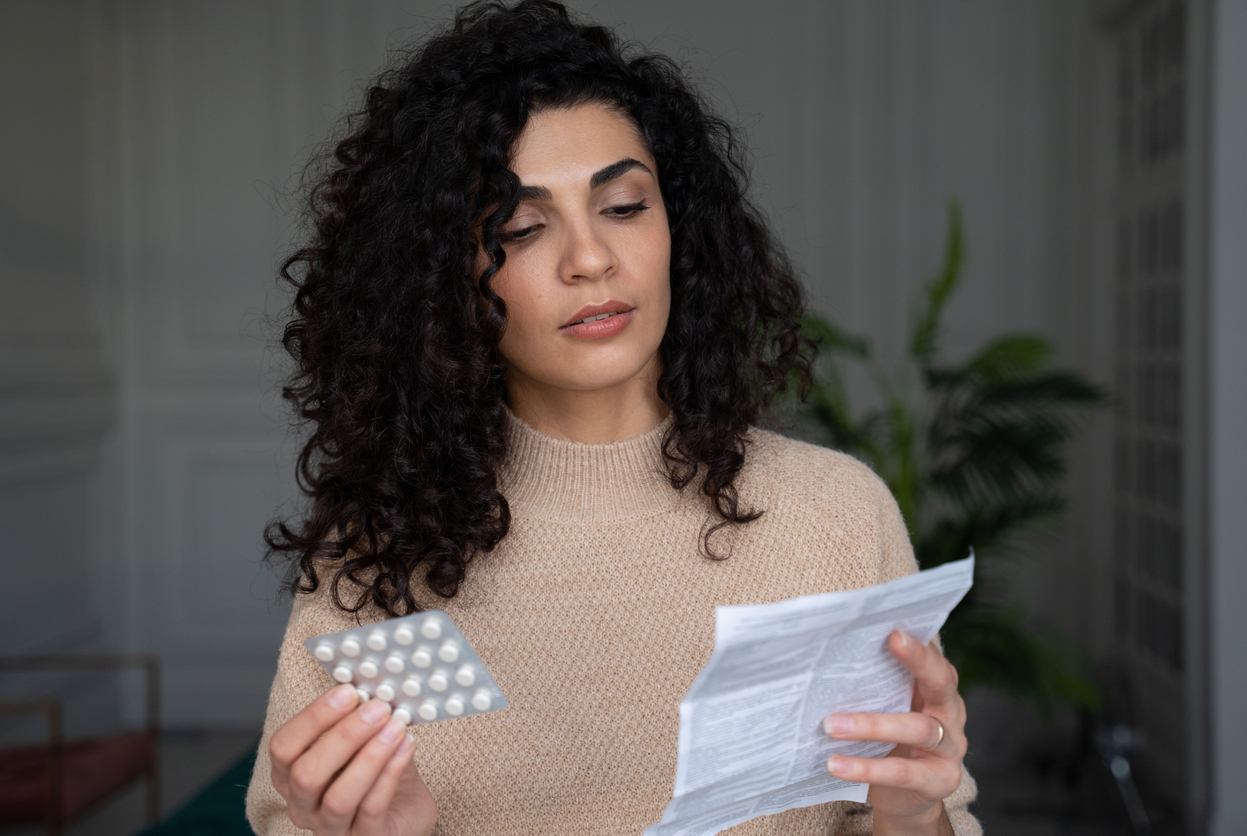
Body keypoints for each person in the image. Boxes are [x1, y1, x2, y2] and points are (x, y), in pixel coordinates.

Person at [245, 2, 980, 834]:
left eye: (624, 207)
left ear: (680, 230)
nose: (590, 258)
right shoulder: (377, 559)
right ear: (435, 281)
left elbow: (926, 812)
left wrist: (916, 814)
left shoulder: (836, 518)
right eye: (520, 228)